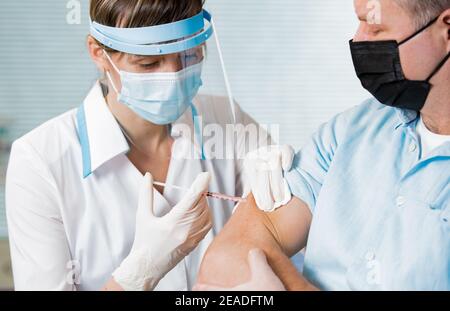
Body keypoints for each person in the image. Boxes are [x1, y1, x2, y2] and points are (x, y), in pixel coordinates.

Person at [5, 0, 269, 291]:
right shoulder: (39, 161)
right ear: (98, 53)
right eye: (149, 63)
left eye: (189, 56)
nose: (173, 76)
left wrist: (285, 174)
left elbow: (285, 227)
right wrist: (139, 272)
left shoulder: (226, 121)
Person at [196, 0, 450, 291]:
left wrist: (279, 277)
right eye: (360, 22)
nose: (358, 39)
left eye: (377, 28)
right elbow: (225, 259)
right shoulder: (352, 131)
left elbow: (249, 255)